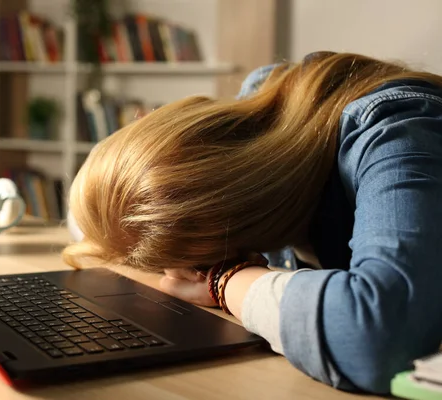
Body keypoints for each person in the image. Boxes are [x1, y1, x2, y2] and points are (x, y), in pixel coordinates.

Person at [62, 51, 442, 395]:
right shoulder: (254, 112)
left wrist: (225, 280)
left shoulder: (393, 129)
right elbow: (89, 220)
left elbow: (377, 335)